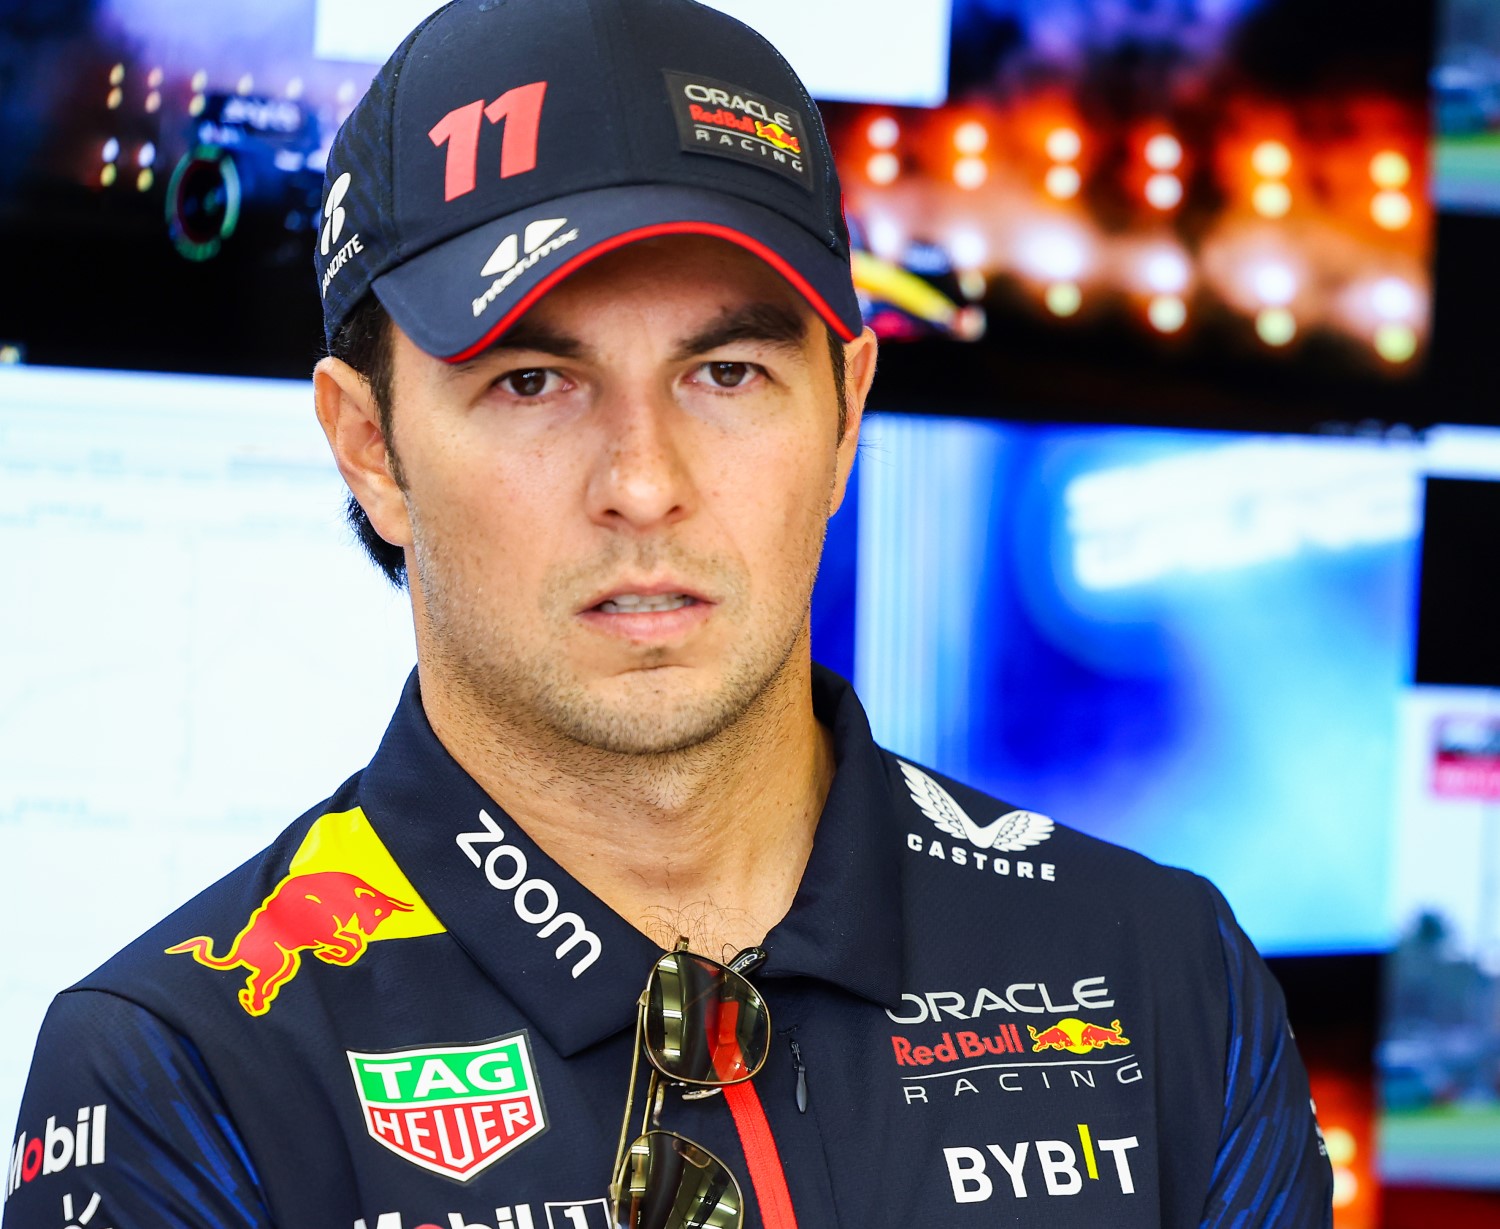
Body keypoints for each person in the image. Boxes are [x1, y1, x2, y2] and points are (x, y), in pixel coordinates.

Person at [3, 1, 1333, 1227]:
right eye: (533, 380)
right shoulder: (180, 1072)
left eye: (728, 372)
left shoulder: (1160, 972)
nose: (644, 483)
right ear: (370, 448)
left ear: (846, 416)